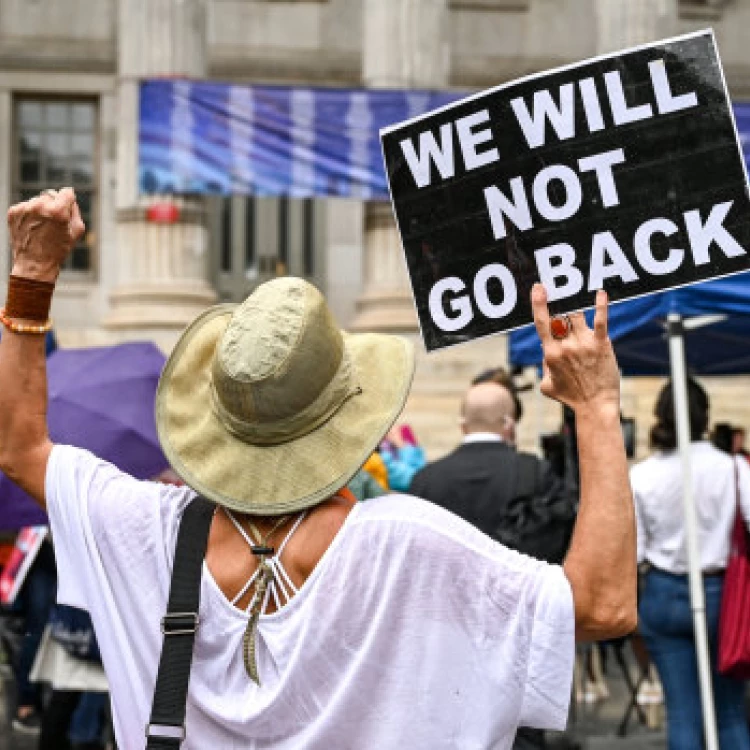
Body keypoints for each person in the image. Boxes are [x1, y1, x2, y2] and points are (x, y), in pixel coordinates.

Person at [0, 188, 636, 748]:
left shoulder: (148, 532)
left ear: (216, 419)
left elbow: (20, 447)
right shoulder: (407, 545)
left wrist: (32, 270)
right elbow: (603, 606)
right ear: (349, 412)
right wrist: (597, 407)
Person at [409, 380, 577, 750]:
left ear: (462, 424)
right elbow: (560, 545)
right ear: (509, 424)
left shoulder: (425, 481)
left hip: (445, 640)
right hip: (518, 634)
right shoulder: (533, 472)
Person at [631, 378, 750, 750]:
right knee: (729, 710)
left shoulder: (641, 475)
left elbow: (634, 551)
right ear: (705, 417)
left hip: (664, 591)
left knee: (682, 713)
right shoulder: (732, 467)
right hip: (723, 591)